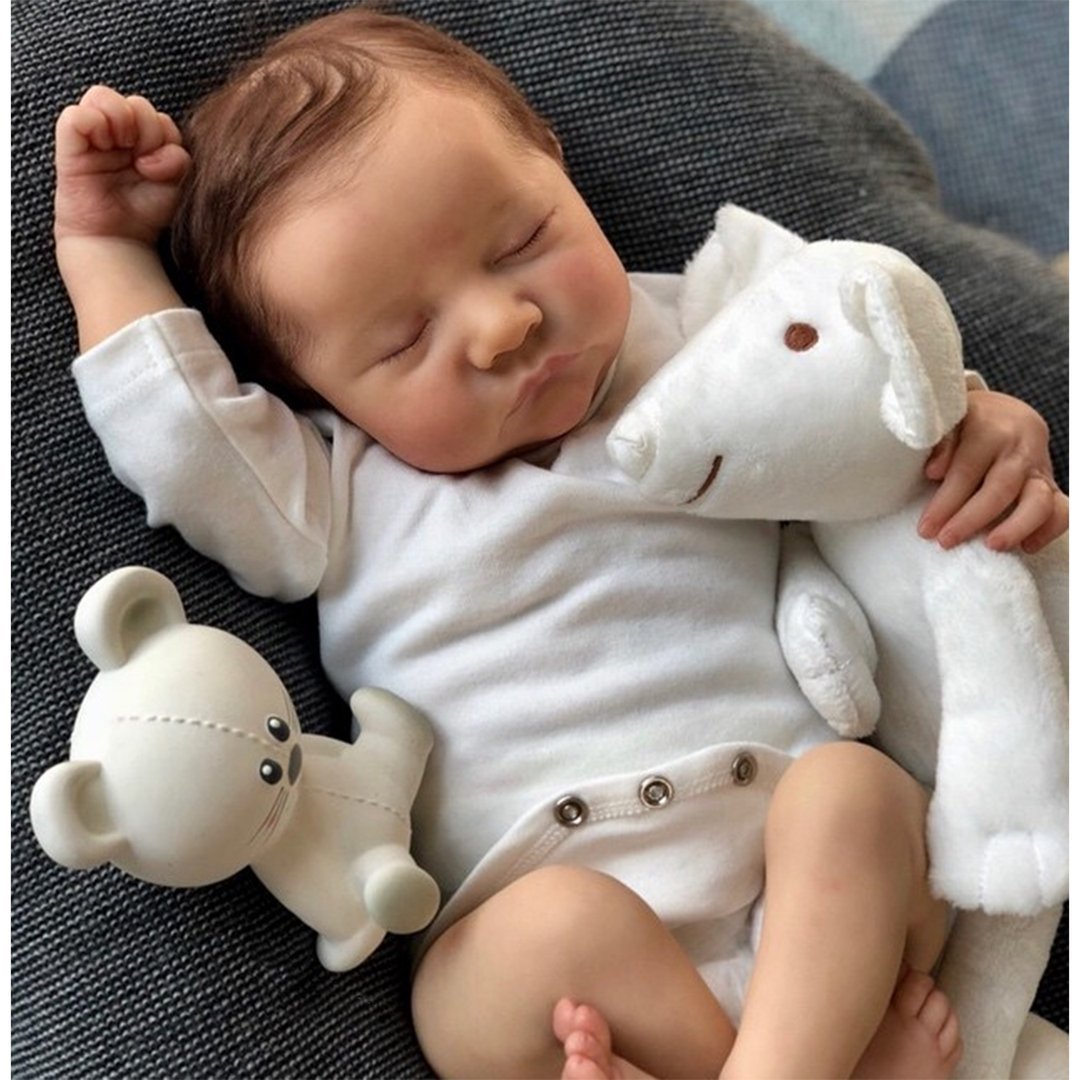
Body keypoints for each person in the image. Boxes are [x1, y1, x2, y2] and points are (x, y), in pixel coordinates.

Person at [53, 8, 1065, 1079]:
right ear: (319, 393)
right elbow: (180, 438)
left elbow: (865, 390)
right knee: (505, 957)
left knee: (852, 795)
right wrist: (106, 249)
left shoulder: (707, 345)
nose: (503, 326)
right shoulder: (332, 492)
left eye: (521, 242)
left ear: (553, 156)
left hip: (807, 898)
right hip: (568, 940)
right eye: (405, 339)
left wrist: (979, 425)